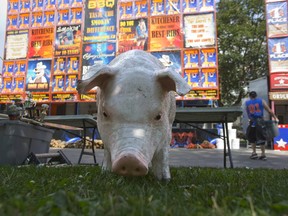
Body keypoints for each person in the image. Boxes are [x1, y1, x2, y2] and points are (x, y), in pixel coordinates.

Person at [245, 91, 279, 160]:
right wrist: (275, 117)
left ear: (250, 96)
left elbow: (247, 112)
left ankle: (254, 153)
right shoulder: (261, 101)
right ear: (256, 96)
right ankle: (263, 154)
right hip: (260, 121)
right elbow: (269, 111)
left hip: (252, 122)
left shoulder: (247, 103)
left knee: (252, 137)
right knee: (261, 137)